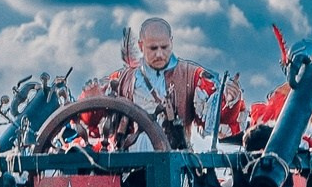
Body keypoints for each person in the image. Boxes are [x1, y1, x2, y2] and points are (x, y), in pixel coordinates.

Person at [83, 17, 245, 149]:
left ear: (171, 42)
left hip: (174, 165)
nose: (160, 54)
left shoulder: (191, 75)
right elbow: (92, 124)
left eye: (164, 47)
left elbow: (214, 120)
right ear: (141, 45)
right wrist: (91, 103)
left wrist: (230, 100)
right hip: (128, 169)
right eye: (153, 48)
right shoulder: (120, 79)